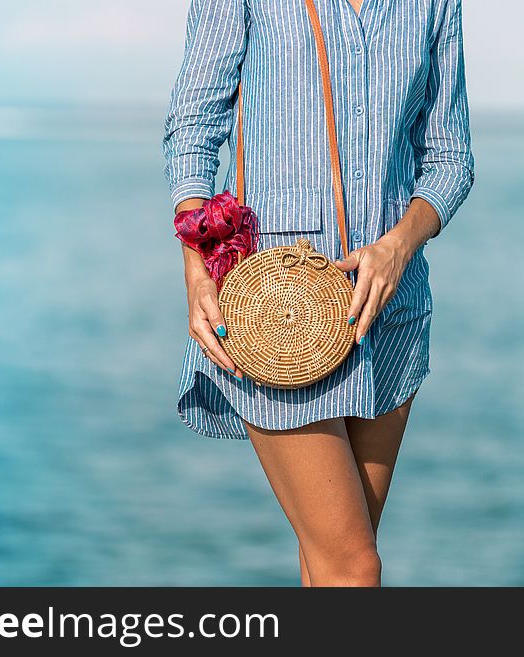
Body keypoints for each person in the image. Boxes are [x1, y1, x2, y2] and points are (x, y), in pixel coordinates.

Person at [162, 0, 474, 586]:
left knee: (327, 567)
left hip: (389, 316)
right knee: (353, 570)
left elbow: (451, 159)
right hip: (273, 317)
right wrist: (196, 267)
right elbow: (194, 129)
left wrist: (397, 247)